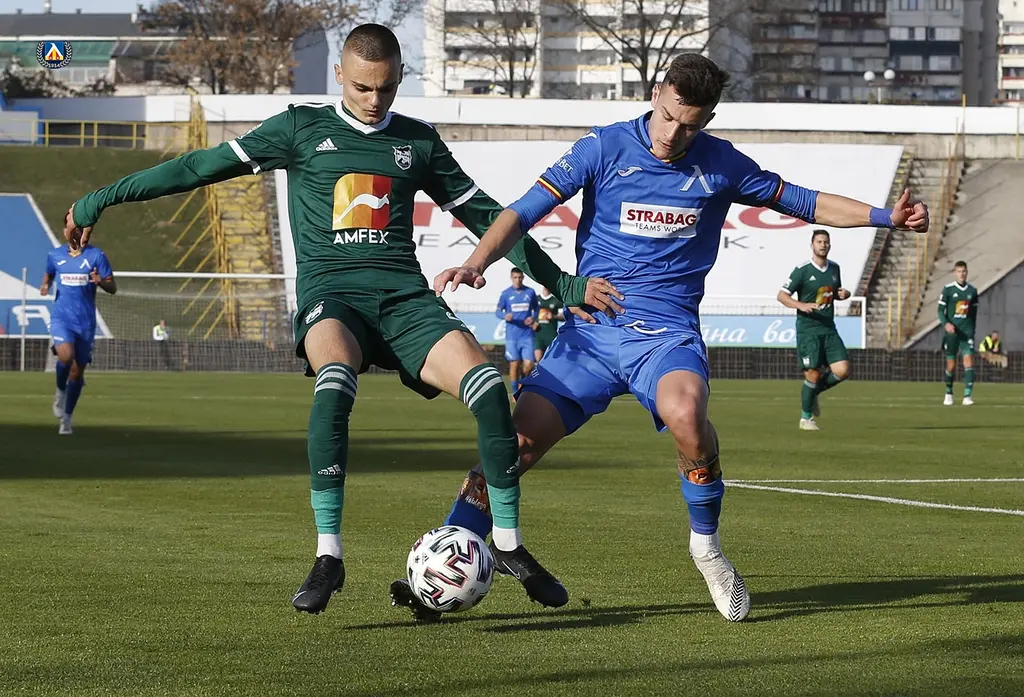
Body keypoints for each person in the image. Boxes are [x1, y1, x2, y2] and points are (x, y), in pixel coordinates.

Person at [62, 23, 619, 615]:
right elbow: (198, 167)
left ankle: (506, 541)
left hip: (404, 299)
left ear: (400, 77)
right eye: (361, 88)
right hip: (333, 297)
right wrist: (99, 199)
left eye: (386, 88)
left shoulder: (418, 141)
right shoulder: (299, 128)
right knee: (334, 383)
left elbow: (488, 216)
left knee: (487, 387)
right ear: (339, 77)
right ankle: (329, 555)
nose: (374, 100)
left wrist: (562, 283)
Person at [393, 53, 928, 623]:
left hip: (665, 335)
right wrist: (476, 262)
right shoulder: (603, 147)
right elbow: (522, 212)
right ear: (656, 94)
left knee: (688, 417)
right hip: (590, 337)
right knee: (511, 449)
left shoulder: (722, 163)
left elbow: (804, 201)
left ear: (708, 119)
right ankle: (439, 575)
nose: (674, 134)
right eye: (669, 116)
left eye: (690, 125)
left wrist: (885, 217)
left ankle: (707, 549)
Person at [777, 229, 851, 431]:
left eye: (826, 242)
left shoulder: (834, 268)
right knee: (812, 374)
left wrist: (843, 294)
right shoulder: (802, 270)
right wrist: (800, 305)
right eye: (819, 242)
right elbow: (782, 295)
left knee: (842, 370)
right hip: (808, 330)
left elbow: (833, 294)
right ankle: (806, 418)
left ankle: (813, 393)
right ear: (812, 245)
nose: (823, 245)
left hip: (828, 327)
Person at [40, 241, 116, 435]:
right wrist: (45, 284)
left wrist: (100, 281)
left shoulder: (96, 255)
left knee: (76, 373)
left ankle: (67, 417)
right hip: (61, 317)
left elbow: (112, 287)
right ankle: (60, 392)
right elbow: (49, 273)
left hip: (85, 322)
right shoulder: (55, 255)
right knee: (65, 356)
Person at [938, 260, 979, 405]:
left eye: (964, 271)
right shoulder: (948, 290)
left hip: (966, 332)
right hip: (952, 333)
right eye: (959, 271)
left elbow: (973, 313)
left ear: (967, 272)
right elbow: (940, 311)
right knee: (951, 365)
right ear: (955, 273)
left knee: (969, 362)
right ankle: (948, 392)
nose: (962, 274)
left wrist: (972, 330)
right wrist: (946, 324)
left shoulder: (972, 291)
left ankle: (967, 396)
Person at [495, 267, 538, 394]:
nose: (517, 280)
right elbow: (497, 311)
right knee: (514, 365)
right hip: (512, 336)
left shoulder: (530, 292)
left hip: (527, 335)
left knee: (529, 365)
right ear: (511, 278)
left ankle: (522, 386)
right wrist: (505, 316)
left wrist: (533, 318)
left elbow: (536, 308)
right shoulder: (506, 294)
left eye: (519, 277)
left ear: (523, 278)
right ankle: (515, 393)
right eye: (515, 277)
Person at [534, 286, 564, 362]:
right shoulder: (535, 299)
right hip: (538, 335)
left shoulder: (556, 300)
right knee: (538, 361)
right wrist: (532, 324)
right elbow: (529, 315)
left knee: (551, 360)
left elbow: (563, 316)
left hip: (551, 334)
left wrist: (554, 316)